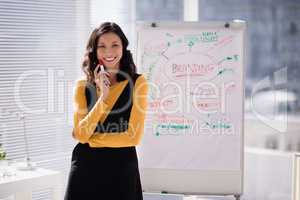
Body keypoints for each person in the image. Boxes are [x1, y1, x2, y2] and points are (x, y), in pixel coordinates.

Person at [64, 22, 148, 200]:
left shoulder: (138, 83)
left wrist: (93, 141)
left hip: (122, 170)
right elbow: (81, 135)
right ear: (94, 50)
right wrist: (102, 99)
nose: (109, 52)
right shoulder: (82, 86)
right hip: (85, 171)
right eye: (102, 46)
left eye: (115, 45)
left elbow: (134, 137)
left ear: (124, 47)